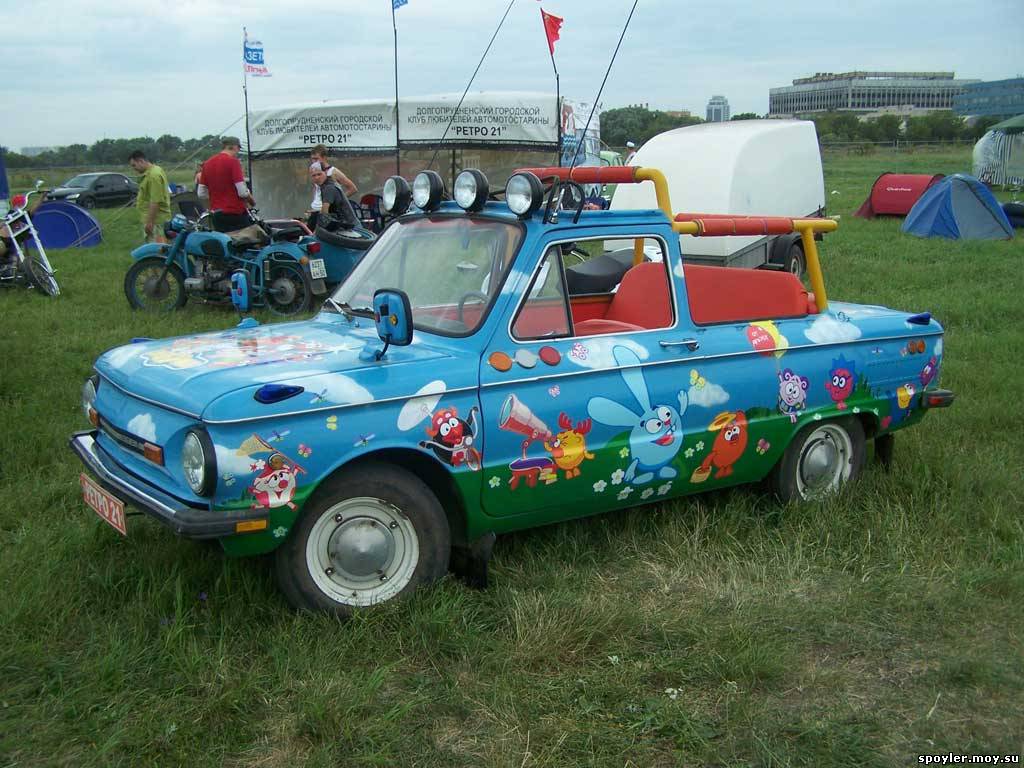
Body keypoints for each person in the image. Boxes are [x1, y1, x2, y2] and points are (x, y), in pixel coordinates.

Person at [198, 136, 255, 232]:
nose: (238, 151)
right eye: (238, 148)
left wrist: (217, 196)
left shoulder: (207, 164)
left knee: (224, 240)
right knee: (248, 238)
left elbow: (201, 193)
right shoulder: (233, 162)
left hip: (217, 214)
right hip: (235, 212)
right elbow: (242, 192)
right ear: (234, 147)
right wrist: (250, 198)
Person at [128, 150, 172, 243]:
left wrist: (150, 222)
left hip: (157, 221)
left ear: (141, 161)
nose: (134, 169)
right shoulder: (154, 170)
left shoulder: (153, 176)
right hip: (154, 219)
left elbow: (155, 201)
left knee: (157, 249)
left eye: (134, 165)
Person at [309, 162, 360, 232]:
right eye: (313, 175)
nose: (317, 177)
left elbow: (325, 211)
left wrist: (316, 230)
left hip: (350, 227)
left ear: (325, 172)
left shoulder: (329, 187)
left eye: (319, 174)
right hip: (346, 225)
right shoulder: (325, 185)